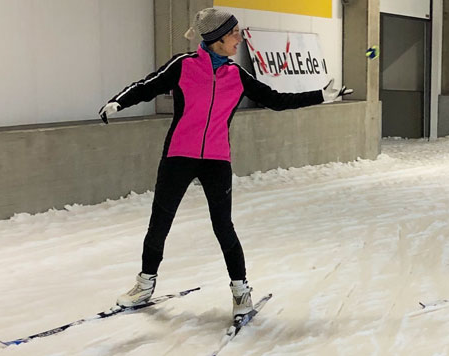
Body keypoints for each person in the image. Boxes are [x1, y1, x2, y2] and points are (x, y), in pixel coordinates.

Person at [98, 8, 352, 319]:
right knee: (160, 221)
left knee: (223, 226)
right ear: (217, 38)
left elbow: (276, 100)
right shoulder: (183, 65)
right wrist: (118, 101)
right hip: (179, 155)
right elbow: (147, 86)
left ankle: (241, 291)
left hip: (216, 160)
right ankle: (145, 284)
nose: (239, 38)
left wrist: (320, 96)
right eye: (233, 33)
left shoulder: (237, 75)